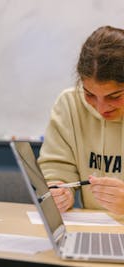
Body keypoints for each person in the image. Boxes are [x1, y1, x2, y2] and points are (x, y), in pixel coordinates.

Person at [38, 25, 124, 215]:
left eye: (114, 96)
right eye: (90, 94)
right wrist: (59, 190)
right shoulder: (70, 104)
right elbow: (56, 167)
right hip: (93, 230)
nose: (101, 108)